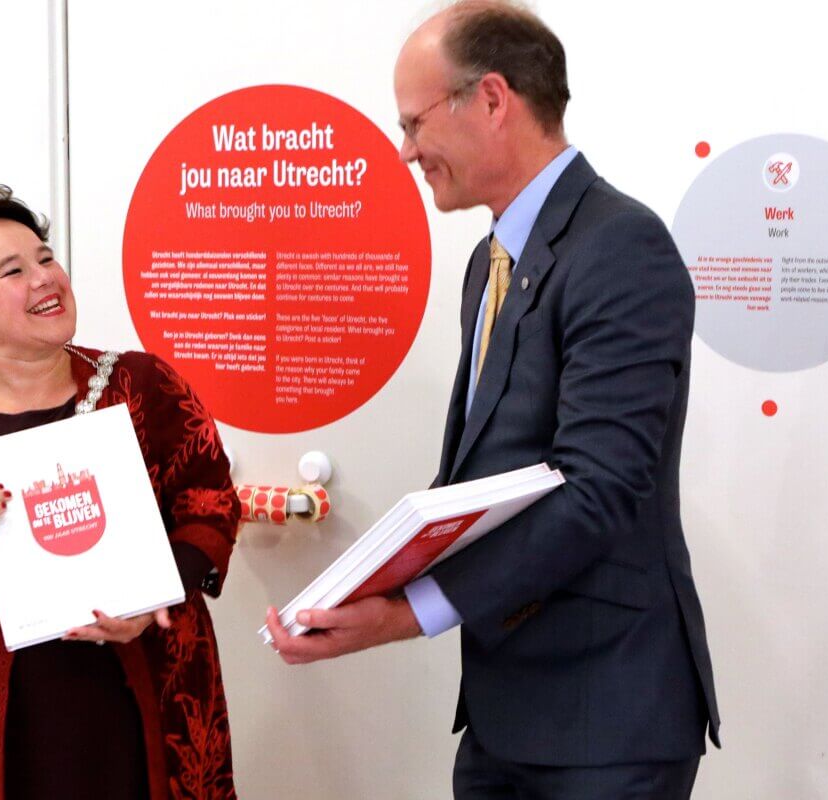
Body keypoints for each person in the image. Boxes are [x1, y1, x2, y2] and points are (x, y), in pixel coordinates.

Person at [265, 2, 720, 797]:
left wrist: (409, 614)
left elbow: (597, 489)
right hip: (506, 715)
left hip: (602, 722)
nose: (406, 152)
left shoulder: (619, 245)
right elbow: (489, 481)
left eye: (413, 123)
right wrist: (363, 589)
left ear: (492, 99)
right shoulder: (491, 260)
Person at [0, 186, 239, 800]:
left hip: (147, 693)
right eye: (14, 270)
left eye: (45, 258)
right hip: (13, 724)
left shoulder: (141, 384)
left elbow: (209, 502)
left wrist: (150, 597)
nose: (45, 279)